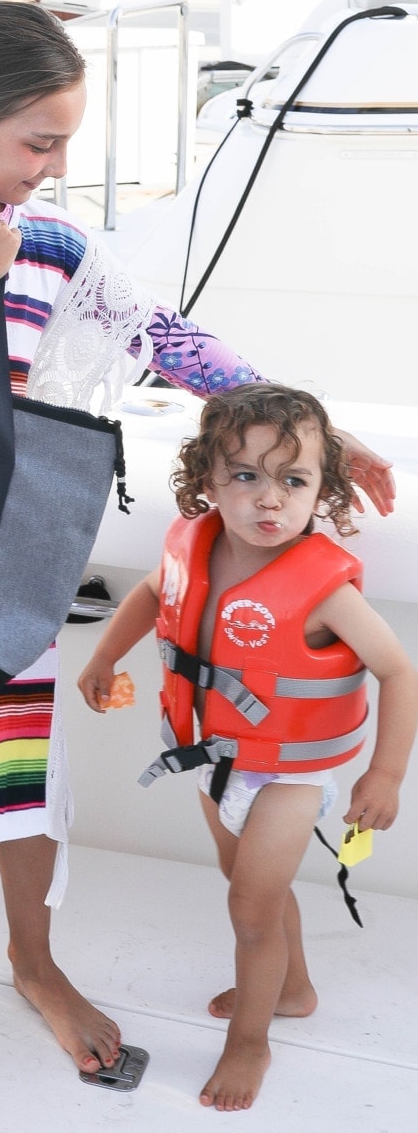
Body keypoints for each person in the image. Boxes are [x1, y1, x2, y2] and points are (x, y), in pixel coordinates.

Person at [0, 2, 395, 1133]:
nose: (52, 169)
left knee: (15, 768)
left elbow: (158, 333)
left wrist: (316, 436)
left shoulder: (42, 234)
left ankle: (32, 961)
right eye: (38, 143)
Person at [79, 383, 417, 1113]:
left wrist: (384, 775)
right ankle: (291, 988)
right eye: (246, 476)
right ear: (207, 480)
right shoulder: (192, 548)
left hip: (288, 777)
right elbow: (147, 595)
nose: (270, 500)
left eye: (292, 481)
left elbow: (397, 669)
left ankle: (250, 1043)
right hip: (213, 760)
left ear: (320, 489)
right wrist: (102, 659)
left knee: (249, 907)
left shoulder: (324, 589)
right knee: (253, 892)